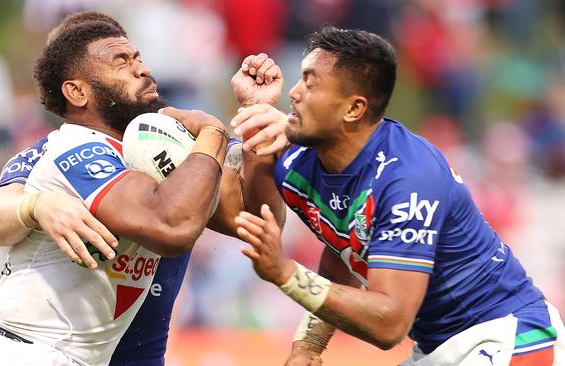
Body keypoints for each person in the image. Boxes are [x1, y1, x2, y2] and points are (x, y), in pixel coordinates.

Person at [0, 13, 285, 366]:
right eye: (120, 61)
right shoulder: (71, 147)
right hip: (22, 351)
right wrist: (35, 206)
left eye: (137, 57)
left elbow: (254, 220)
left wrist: (254, 116)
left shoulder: (163, 145)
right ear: (75, 90)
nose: (141, 68)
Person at [231, 25, 565, 365]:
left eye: (311, 83)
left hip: (507, 334)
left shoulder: (408, 177)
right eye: (300, 79)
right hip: (435, 347)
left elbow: (390, 324)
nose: (295, 93)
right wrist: (308, 345)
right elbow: (327, 252)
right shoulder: (303, 161)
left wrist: (286, 273)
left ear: (353, 109)